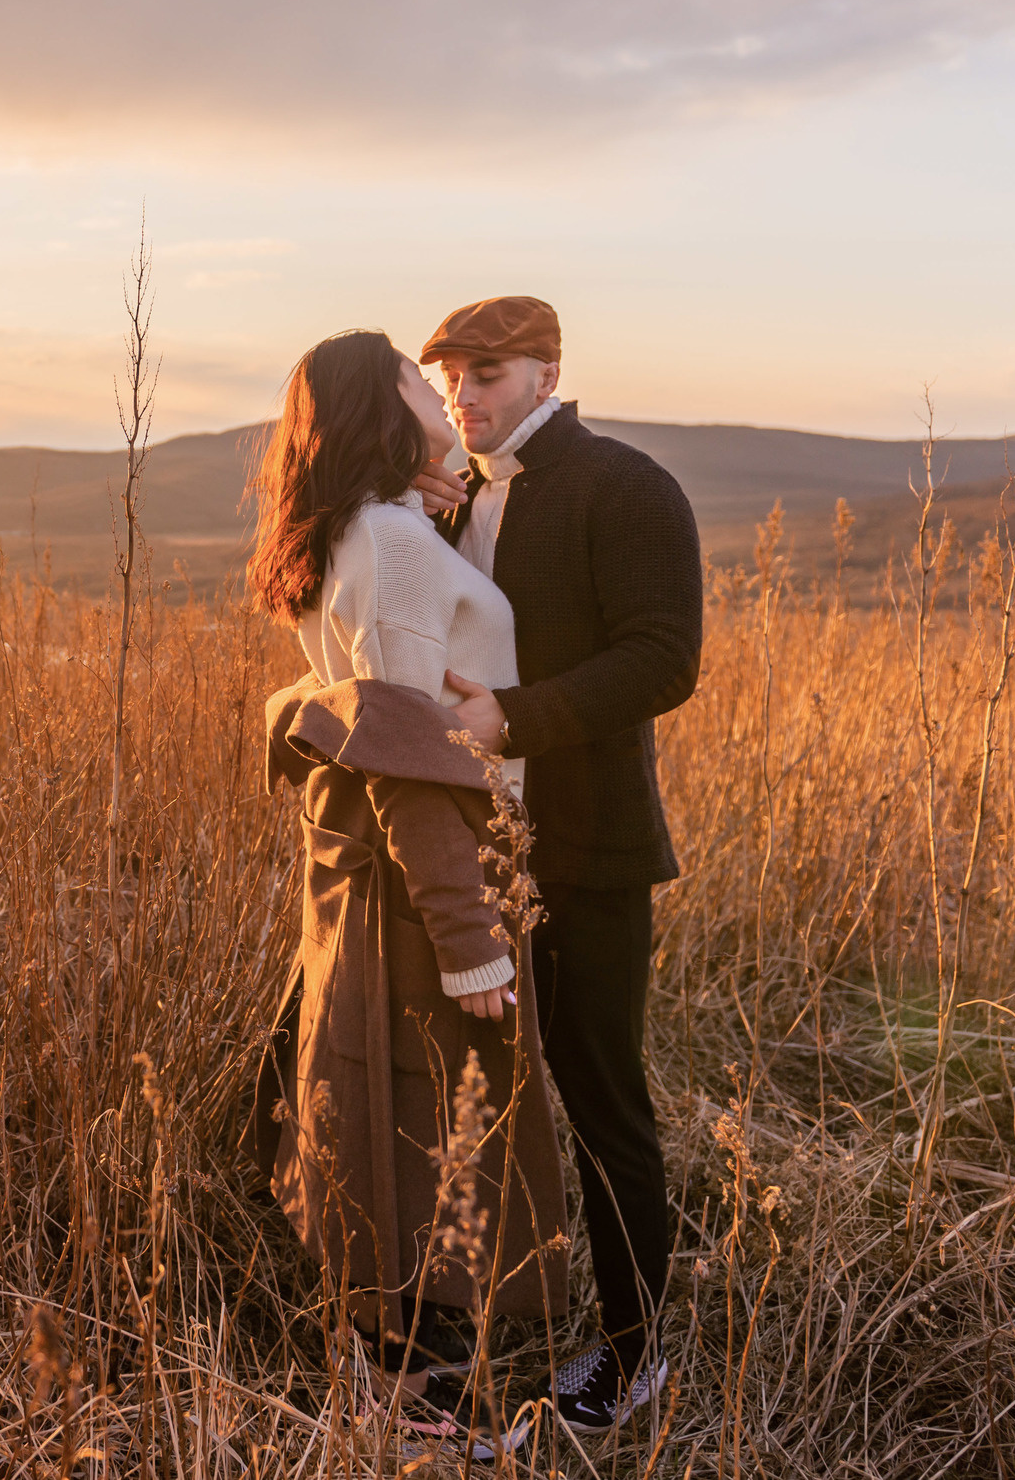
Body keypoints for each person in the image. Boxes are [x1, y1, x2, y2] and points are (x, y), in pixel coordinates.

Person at [246, 328, 569, 1459]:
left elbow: (348, 700)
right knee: (437, 1114)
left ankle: (381, 1372)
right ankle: (431, 1405)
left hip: (364, 864)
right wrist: (469, 931)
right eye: (409, 377)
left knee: (388, 1097)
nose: (435, 391)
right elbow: (400, 744)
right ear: (378, 406)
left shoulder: (362, 530)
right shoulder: (387, 540)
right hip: (425, 863)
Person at [411, 294, 702, 1437]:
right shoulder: (455, 496)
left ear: (546, 371)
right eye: (449, 383)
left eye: (486, 375)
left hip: (587, 850)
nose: (465, 399)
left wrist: (513, 719)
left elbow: (663, 658)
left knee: (601, 1098)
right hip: (474, 852)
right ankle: (466, 1324)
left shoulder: (624, 485)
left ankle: (633, 1356)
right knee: (473, 1096)